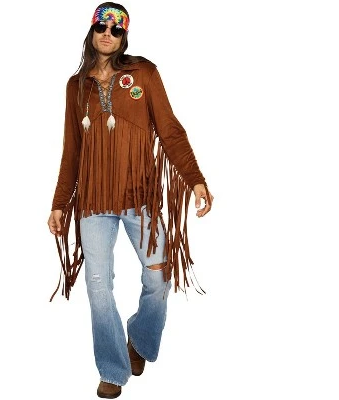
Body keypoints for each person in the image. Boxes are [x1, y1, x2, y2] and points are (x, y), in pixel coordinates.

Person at [47, 2, 214, 398]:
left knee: (158, 276)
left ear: (124, 36)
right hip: (93, 201)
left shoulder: (144, 73)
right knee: (98, 286)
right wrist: (59, 202)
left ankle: (138, 339)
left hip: (139, 196)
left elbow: (169, 130)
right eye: (101, 27)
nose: (108, 34)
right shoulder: (76, 86)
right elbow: (72, 150)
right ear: (91, 31)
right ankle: (112, 367)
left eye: (116, 29)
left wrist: (195, 180)